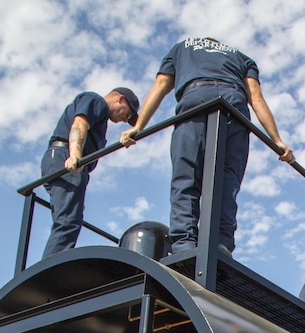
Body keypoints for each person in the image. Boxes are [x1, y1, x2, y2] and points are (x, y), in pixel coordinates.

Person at [120, 36, 295, 255]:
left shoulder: (183, 47)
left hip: (196, 97)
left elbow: (162, 84)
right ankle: (221, 246)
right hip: (234, 103)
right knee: (228, 180)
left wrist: (138, 126)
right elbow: (256, 97)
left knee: (187, 176)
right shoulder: (242, 58)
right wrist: (277, 141)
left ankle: (184, 244)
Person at [41, 88, 140, 259]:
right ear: (120, 99)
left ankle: (51, 265)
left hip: (64, 161)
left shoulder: (101, 117)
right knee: (67, 222)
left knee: (69, 217)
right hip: (67, 158)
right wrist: (75, 156)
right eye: (129, 115)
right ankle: (48, 273)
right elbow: (80, 124)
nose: (125, 120)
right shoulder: (97, 102)